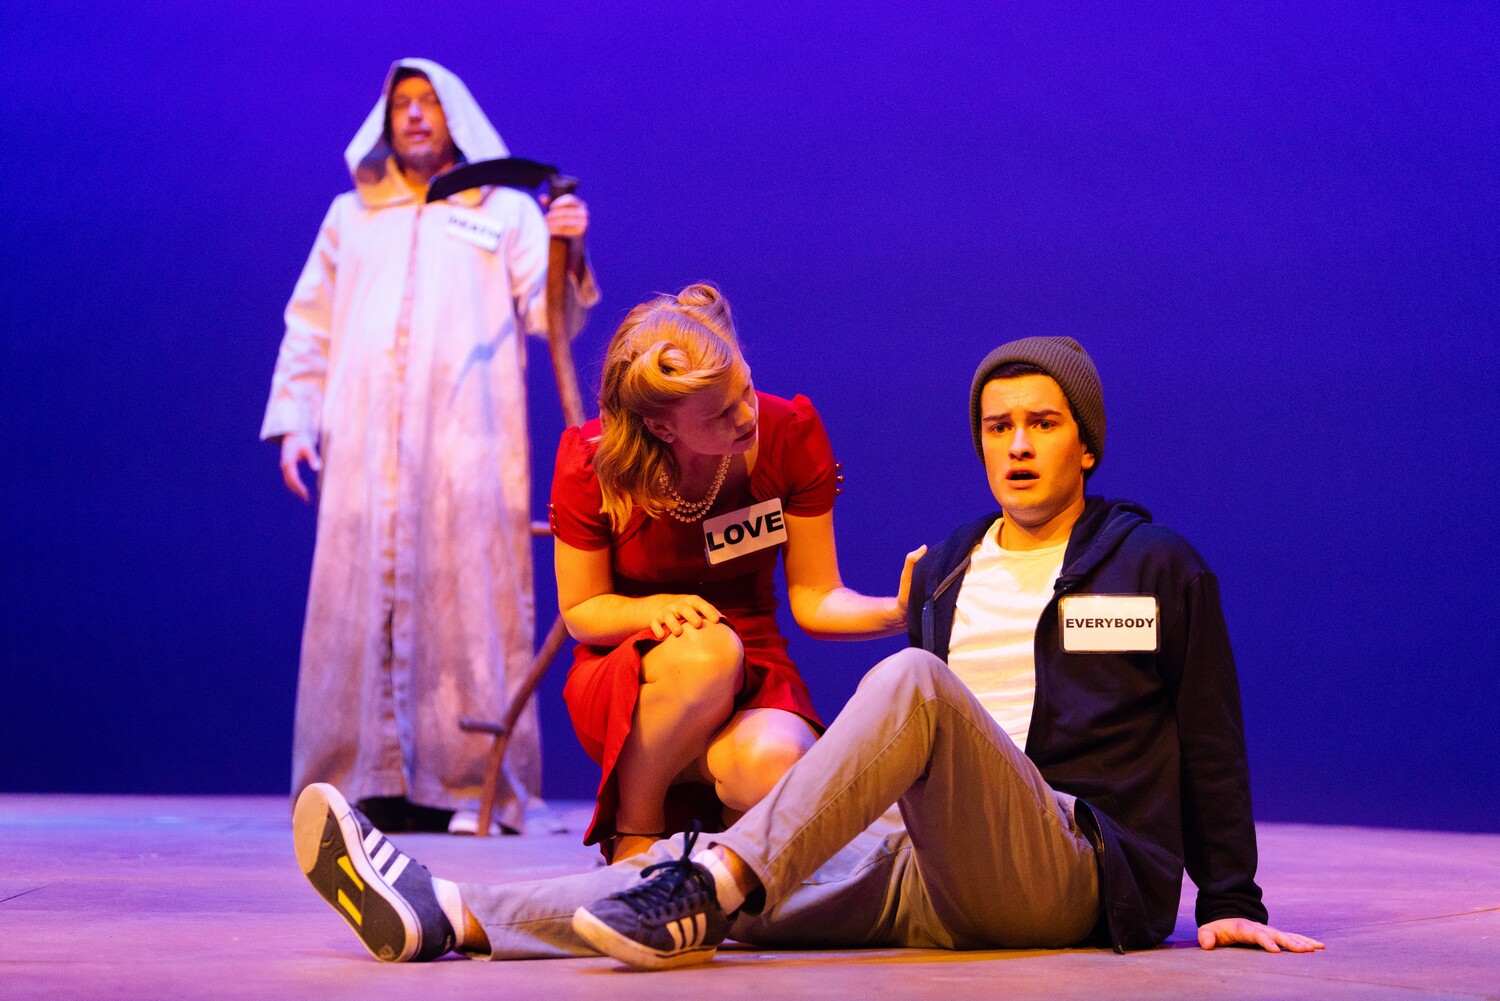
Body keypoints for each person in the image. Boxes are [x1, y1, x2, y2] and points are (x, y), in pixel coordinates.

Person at [291, 335, 1325, 967]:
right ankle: (451, 911)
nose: (1016, 443)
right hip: (937, 865)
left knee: (904, 687)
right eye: (997, 425)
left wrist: (1230, 896)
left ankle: (721, 880)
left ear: (1084, 442)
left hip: (1079, 865)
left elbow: (1210, 733)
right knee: (692, 877)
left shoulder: (1154, 564)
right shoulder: (954, 564)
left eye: (1042, 424)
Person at [261, 58, 598, 834]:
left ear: (455, 116)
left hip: (467, 449)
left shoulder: (506, 210)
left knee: (470, 601)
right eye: (400, 104)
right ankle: (350, 784)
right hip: (364, 451)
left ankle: (473, 783)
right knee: (356, 604)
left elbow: (548, 315)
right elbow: (309, 323)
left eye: (428, 103)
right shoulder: (352, 217)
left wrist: (565, 248)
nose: (413, 116)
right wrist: (295, 418)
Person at [549, 283, 921, 861]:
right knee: (708, 653)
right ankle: (638, 824)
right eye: (722, 413)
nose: (748, 414)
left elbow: (816, 596)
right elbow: (581, 612)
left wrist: (894, 612)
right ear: (662, 427)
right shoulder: (590, 460)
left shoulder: (789, 433)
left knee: (772, 766)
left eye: (745, 387)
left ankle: (710, 829)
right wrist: (654, 610)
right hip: (636, 671)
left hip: (754, 661)